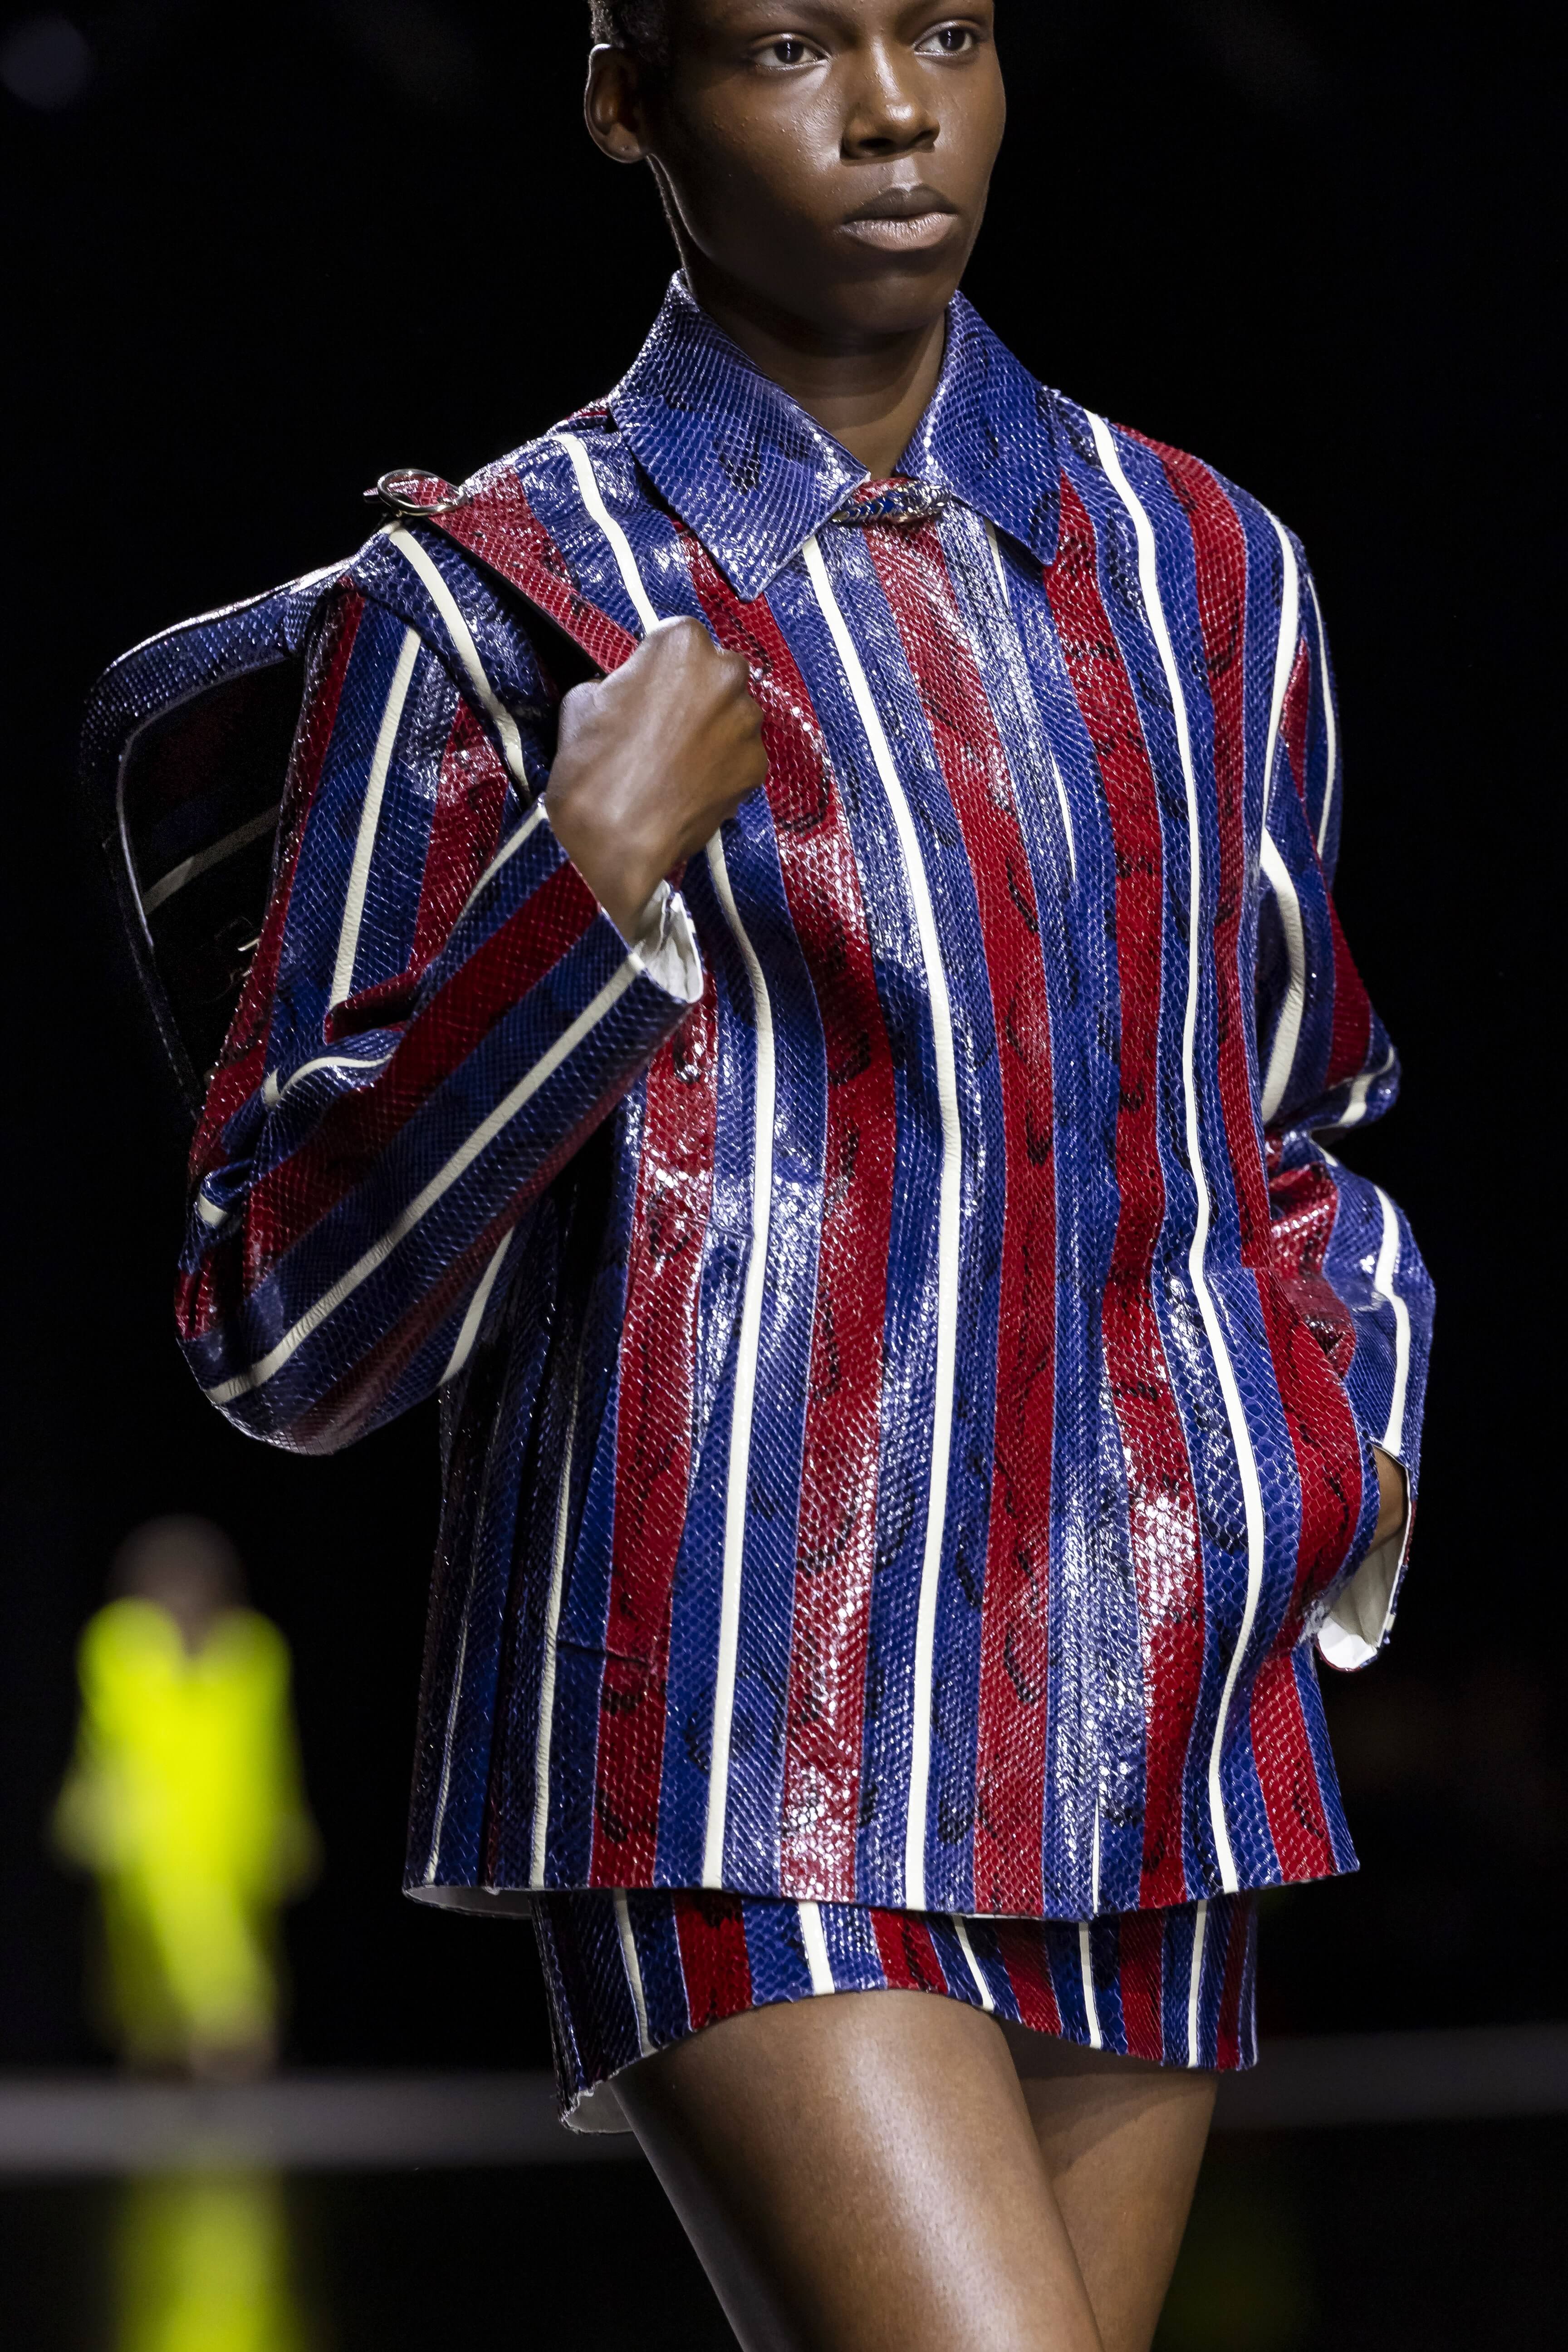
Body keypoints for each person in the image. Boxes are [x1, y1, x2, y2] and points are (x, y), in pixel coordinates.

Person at [170, 4, 1431, 2343]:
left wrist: (1325, 1446)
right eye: (782, 45)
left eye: (946, 29)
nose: (888, 110)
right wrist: (581, 883)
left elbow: (1289, 1106)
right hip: (731, 1702)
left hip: (1152, 1684)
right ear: (622, 97)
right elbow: (285, 1320)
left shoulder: (1206, 566)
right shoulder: (492, 595)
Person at [53, 1517, 318, 2079]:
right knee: (146, 1942)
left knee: (222, 1932)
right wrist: (89, 1799)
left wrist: (287, 1821)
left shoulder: (254, 1653)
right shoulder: (120, 1647)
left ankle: (230, 2027)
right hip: (148, 1826)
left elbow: (274, 1750)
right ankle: (175, 2038)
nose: (182, 1597)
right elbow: (102, 1739)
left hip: (231, 1821)